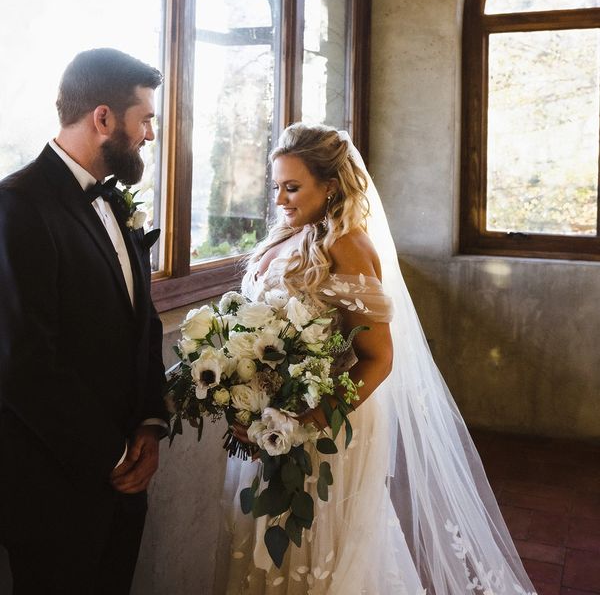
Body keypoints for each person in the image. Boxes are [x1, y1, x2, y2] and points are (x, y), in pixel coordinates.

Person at [219, 123, 537, 594]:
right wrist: (241, 401)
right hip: (270, 422)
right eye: (275, 188)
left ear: (330, 186)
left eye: (292, 187)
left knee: (318, 554)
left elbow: (378, 358)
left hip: (322, 424)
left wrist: (305, 421)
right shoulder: (284, 239)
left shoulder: (347, 246)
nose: (280, 200)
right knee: (267, 549)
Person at [0, 48, 168, 595]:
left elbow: (141, 321)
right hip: (55, 491)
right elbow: (24, 362)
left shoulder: (114, 201)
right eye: (144, 118)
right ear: (103, 118)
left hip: (126, 480)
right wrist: (112, 455)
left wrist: (148, 423)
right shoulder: (18, 205)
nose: (149, 134)